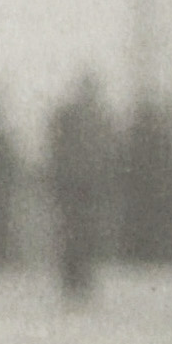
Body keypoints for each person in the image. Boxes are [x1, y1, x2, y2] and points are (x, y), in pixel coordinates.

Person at [45, 74, 118, 306]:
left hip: (90, 186)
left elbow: (109, 153)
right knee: (71, 233)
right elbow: (55, 148)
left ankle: (83, 281)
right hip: (71, 185)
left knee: (87, 234)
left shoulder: (100, 118)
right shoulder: (69, 116)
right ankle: (71, 282)